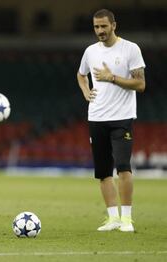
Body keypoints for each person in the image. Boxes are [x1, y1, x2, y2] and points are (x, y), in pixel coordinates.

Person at [77, 9, 145, 232]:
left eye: (104, 26)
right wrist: (86, 90)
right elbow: (81, 74)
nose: (100, 31)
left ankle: (126, 219)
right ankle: (112, 218)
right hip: (96, 117)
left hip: (121, 118)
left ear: (114, 25)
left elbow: (140, 84)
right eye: (96, 27)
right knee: (103, 172)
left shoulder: (130, 49)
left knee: (123, 167)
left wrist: (112, 78)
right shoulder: (90, 51)